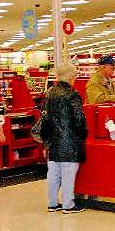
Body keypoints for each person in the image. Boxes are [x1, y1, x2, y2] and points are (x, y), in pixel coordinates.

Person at [40, 64, 88, 214]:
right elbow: (79, 119)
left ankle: (52, 203)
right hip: (69, 140)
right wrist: (83, 134)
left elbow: (44, 118)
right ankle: (68, 204)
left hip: (52, 141)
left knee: (53, 173)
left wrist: (45, 140)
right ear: (70, 77)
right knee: (68, 173)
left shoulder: (49, 93)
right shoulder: (72, 94)